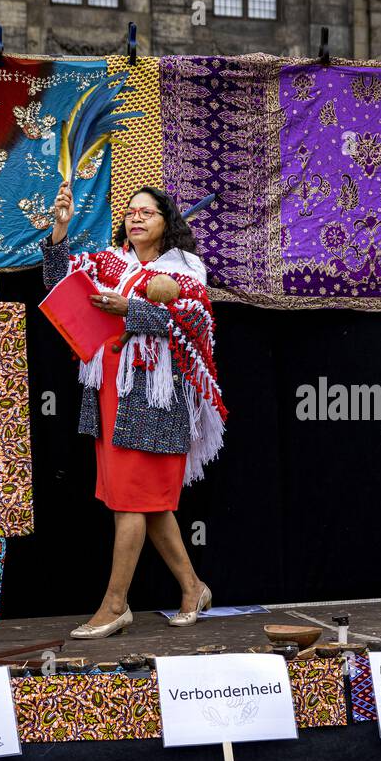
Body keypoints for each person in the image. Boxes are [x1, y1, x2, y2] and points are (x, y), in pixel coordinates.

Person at [42, 181, 227, 635]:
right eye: (130, 211)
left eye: (147, 212)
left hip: (155, 395)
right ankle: (192, 586)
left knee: (131, 503)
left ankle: (115, 605)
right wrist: (60, 231)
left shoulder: (186, 268)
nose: (136, 217)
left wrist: (130, 309)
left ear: (167, 224)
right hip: (110, 391)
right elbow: (58, 283)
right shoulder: (110, 262)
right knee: (148, 504)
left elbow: (193, 321)